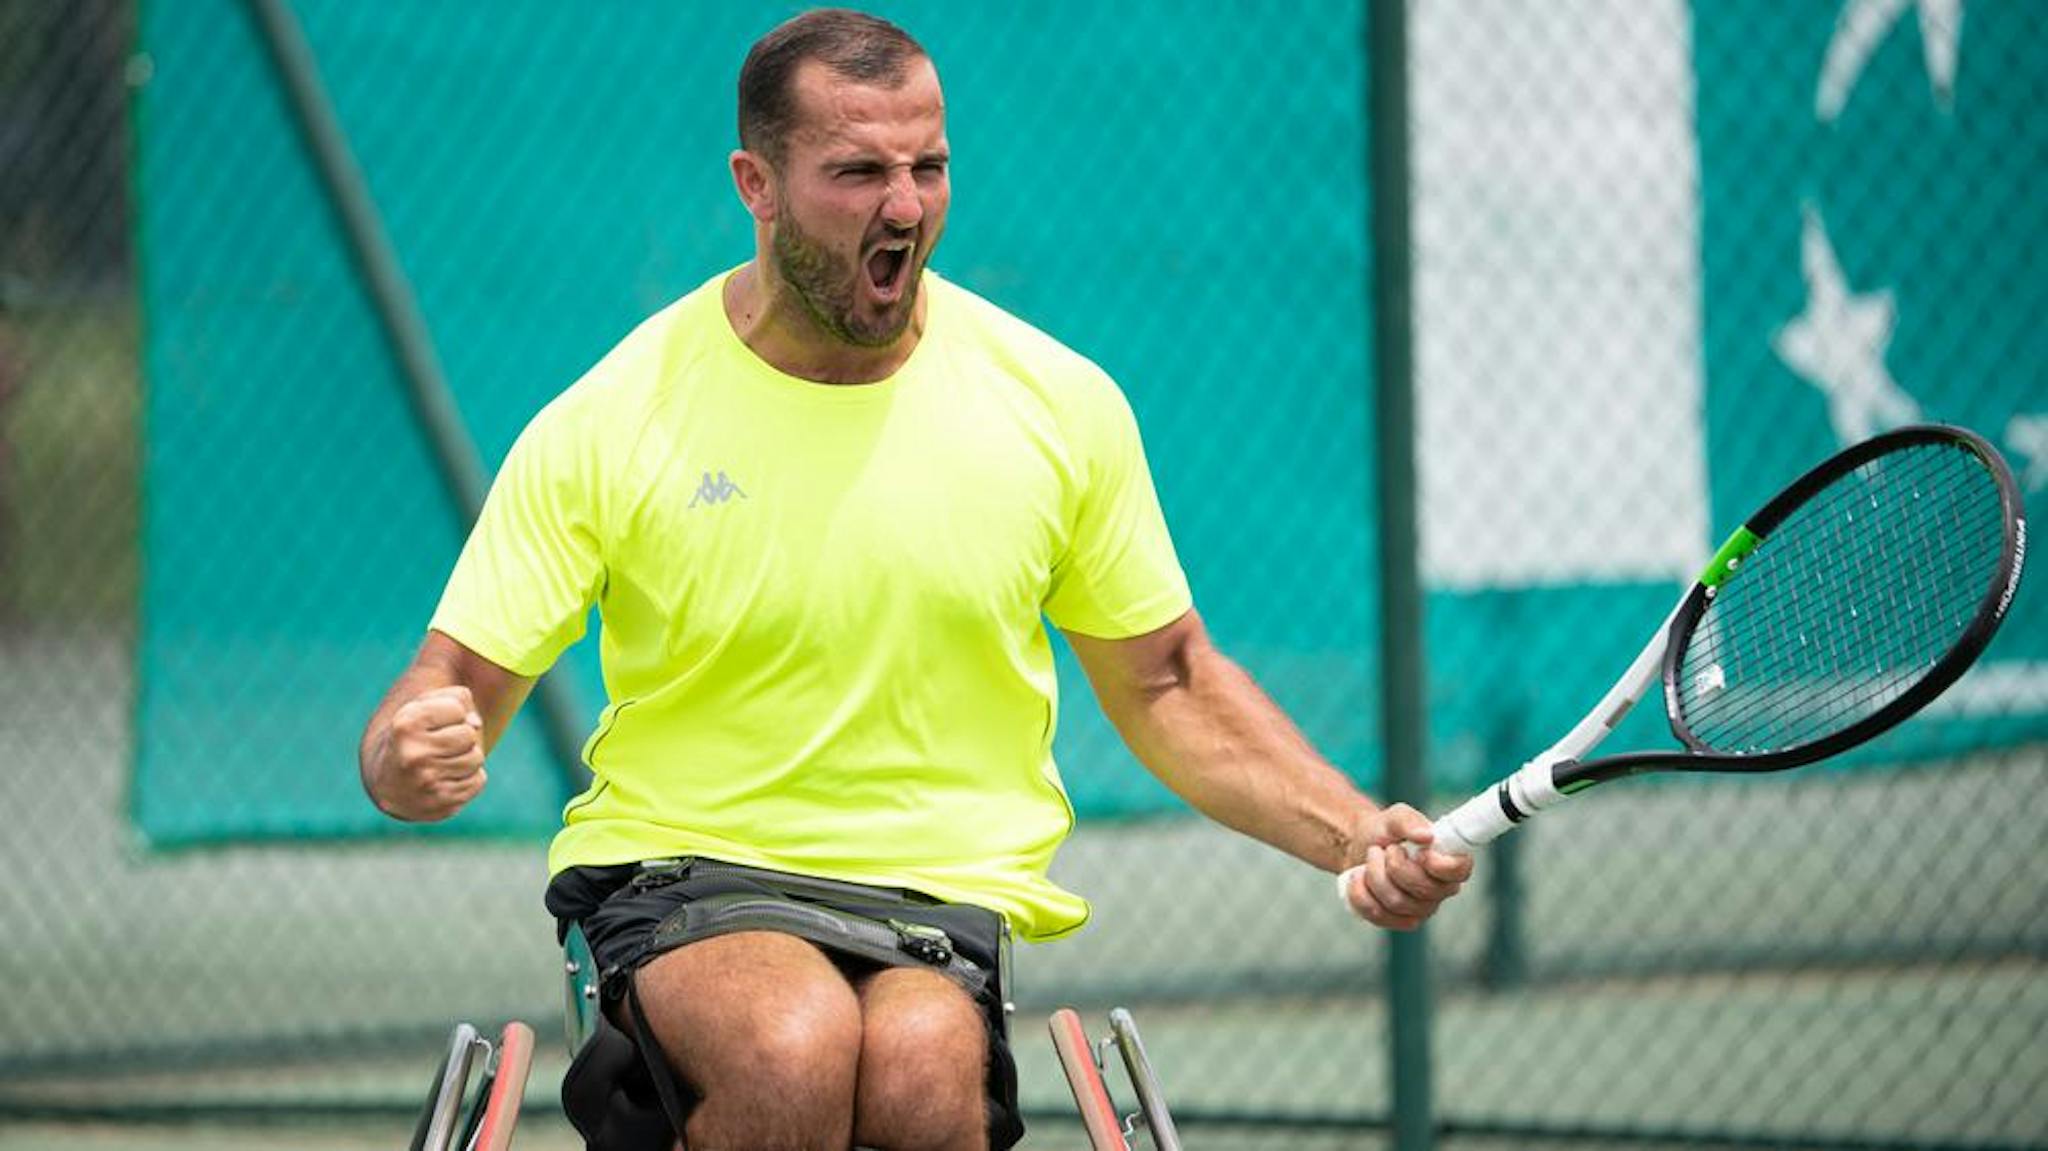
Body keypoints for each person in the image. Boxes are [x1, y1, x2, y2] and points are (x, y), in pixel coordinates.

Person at [358, 9, 1472, 1150]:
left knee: (918, 1077)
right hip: (682, 864)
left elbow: (1169, 681)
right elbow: (443, 690)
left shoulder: (1057, 403)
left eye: (926, 166)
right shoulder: (611, 416)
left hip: (936, 891)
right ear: (757, 183)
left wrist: (1349, 832)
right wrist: (405, 754)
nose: (904, 205)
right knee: (791, 1046)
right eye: (856, 172)